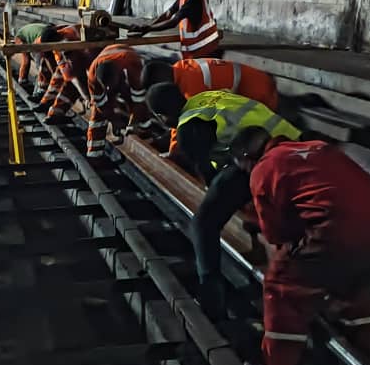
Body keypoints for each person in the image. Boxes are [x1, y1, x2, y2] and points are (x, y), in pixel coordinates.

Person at [230, 127, 370, 365]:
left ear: (248, 158)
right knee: (353, 292)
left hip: (336, 234)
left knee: (282, 288)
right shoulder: (318, 147)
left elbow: (276, 234)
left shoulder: (264, 169)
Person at [146, 83, 300, 320]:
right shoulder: (205, 98)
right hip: (293, 142)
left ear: (162, 116)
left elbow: (209, 175)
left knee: (203, 223)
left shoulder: (188, 127)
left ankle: (211, 298)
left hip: (262, 155)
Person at [142, 58, 279, 159]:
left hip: (260, 96)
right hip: (258, 83)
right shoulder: (181, 68)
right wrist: (172, 146)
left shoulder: (191, 87)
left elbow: (184, 121)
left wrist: (175, 151)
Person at [130, 0, 218, 58]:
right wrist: (148, 27)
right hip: (196, 47)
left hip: (204, 47)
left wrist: (148, 28)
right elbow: (167, 14)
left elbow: (173, 22)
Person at [86, 46, 153, 162]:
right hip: (113, 64)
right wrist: (113, 119)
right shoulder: (92, 76)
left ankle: (145, 133)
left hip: (126, 58)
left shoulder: (133, 66)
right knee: (97, 115)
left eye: (111, 85)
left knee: (139, 105)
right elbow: (99, 104)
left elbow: (139, 100)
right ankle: (94, 155)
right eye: (106, 87)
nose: (109, 89)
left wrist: (133, 123)